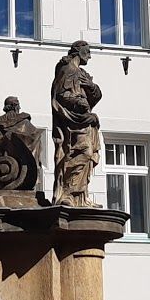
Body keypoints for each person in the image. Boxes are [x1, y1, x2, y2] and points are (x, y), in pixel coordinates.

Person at [50, 41, 101, 207]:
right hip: (72, 122)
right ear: (78, 51)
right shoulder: (68, 70)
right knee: (82, 153)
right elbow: (60, 96)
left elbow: (96, 96)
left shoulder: (82, 73)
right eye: (87, 51)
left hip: (85, 120)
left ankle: (80, 197)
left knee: (88, 156)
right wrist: (78, 102)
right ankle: (68, 193)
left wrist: (91, 87)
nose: (90, 55)